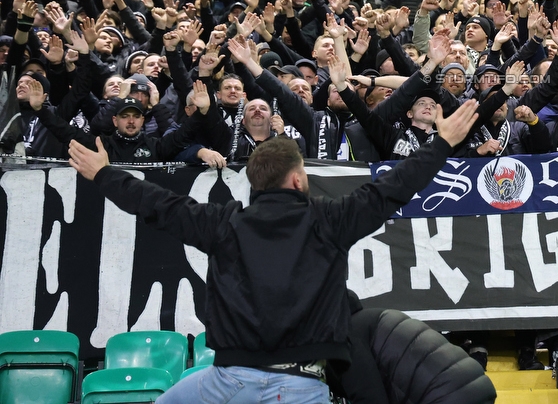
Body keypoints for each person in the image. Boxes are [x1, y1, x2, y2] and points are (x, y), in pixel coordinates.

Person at [67, 99, 481, 403]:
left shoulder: (222, 223)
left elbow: (155, 203)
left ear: (256, 184)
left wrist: (104, 173)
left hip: (224, 383)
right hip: (302, 387)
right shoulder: (330, 220)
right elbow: (394, 187)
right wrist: (441, 143)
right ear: (299, 180)